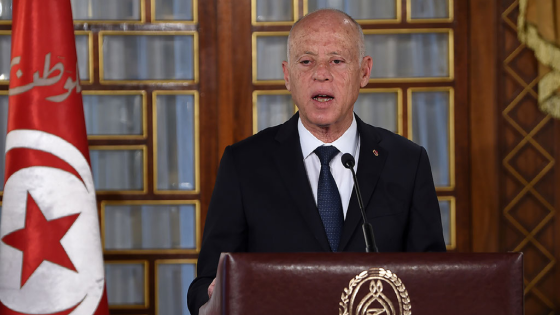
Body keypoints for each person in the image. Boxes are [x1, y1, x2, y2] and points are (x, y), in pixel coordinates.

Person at [187, 8, 446, 314]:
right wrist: (212, 298)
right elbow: (205, 285)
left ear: (364, 72)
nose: (320, 73)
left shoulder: (407, 162)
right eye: (306, 61)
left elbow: (434, 282)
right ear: (287, 75)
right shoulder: (244, 163)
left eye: (337, 61)